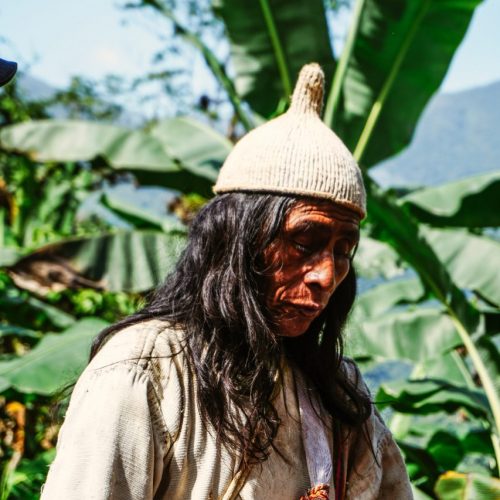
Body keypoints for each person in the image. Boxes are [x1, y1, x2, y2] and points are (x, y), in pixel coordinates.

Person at [41, 64, 413, 499]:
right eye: (304, 242)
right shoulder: (146, 373)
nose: (326, 275)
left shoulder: (336, 395)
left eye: (343, 250)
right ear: (236, 241)